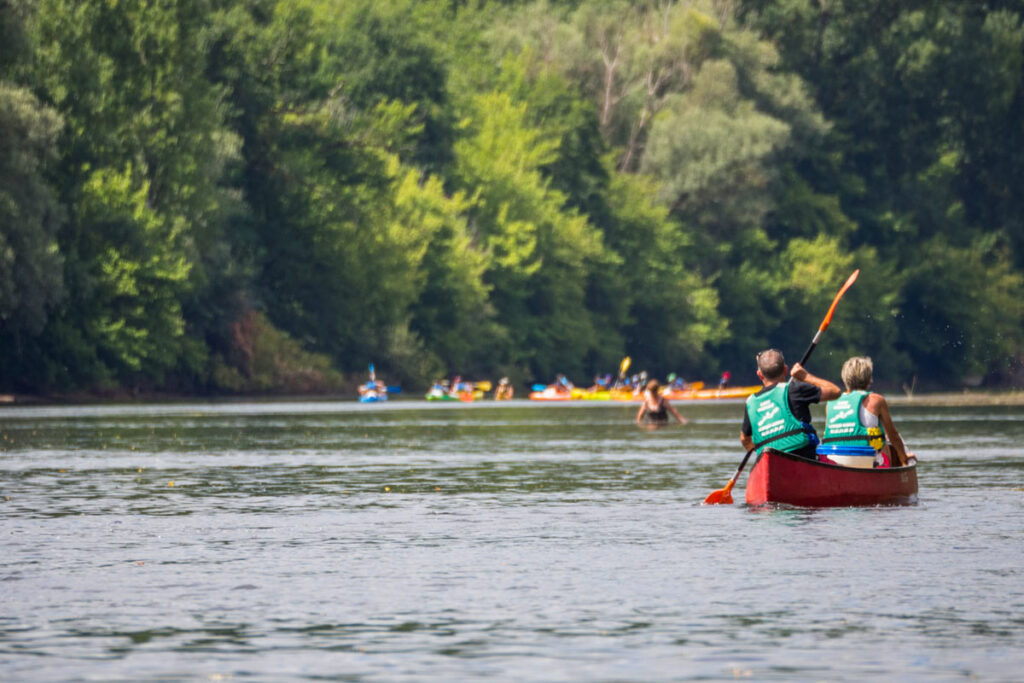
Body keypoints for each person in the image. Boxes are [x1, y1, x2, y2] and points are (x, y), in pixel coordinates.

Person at [740, 348, 840, 460]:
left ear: (760, 375)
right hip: (802, 456)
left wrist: (758, 449)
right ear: (785, 370)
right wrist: (805, 377)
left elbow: (745, 439)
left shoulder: (751, 402)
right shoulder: (795, 389)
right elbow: (835, 391)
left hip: (768, 458)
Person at [820, 356, 915, 467]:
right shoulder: (876, 400)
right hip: (867, 462)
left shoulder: (830, 403)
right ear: (869, 379)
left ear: (844, 378)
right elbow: (894, 436)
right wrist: (904, 459)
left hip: (834, 461)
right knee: (885, 437)